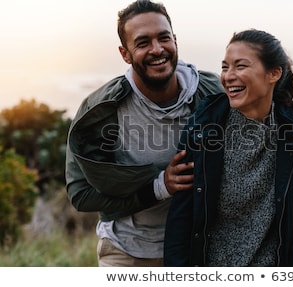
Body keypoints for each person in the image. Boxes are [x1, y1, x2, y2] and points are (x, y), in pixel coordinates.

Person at [65, 0, 223, 267]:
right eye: (142, 43)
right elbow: (80, 194)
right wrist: (159, 187)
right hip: (127, 252)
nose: (157, 49)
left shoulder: (212, 93)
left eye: (164, 38)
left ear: (175, 40)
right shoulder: (99, 110)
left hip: (198, 250)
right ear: (125, 53)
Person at [164, 29, 293, 267]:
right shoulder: (203, 127)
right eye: (225, 67)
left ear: (274, 74)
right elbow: (182, 217)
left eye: (240, 66)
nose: (228, 76)